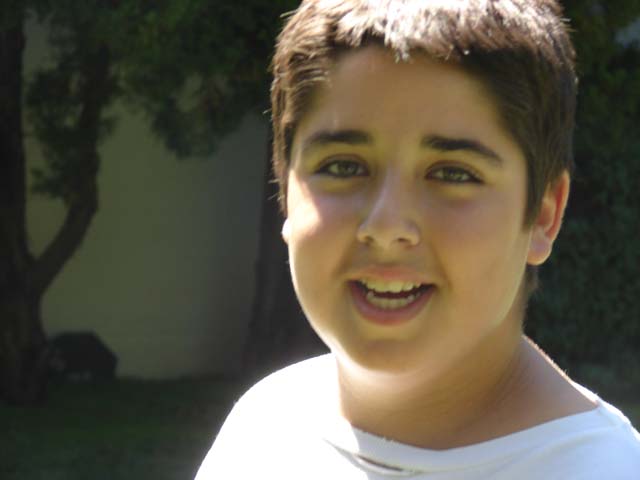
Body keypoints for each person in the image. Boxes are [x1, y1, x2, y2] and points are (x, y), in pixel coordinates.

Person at [195, 1, 640, 478]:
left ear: (543, 216)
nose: (386, 226)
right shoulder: (264, 426)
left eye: (452, 173)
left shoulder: (603, 469)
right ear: (285, 193)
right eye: (343, 166)